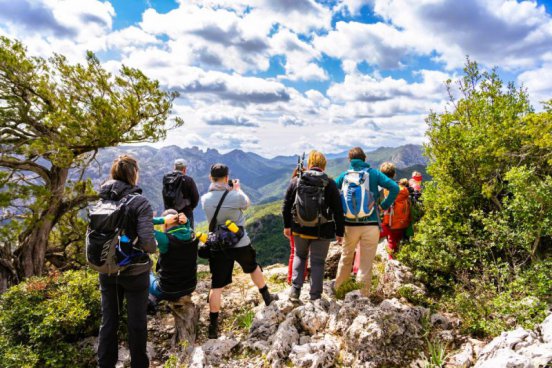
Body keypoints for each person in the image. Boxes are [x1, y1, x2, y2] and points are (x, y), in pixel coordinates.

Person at [201, 163, 277, 339]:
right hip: (240, 242)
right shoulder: (235, 196)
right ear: (227, 177)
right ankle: (266, 296)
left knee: (217, 285)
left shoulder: (205, 199)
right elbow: (247, 203)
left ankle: (213, 326)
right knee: (253, 267)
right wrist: (238, 188)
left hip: (218, 245)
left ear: (210, 178)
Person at [97, 155, 156, 368]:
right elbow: (148, 243)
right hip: (135, 272)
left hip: (107, 269)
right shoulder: (139, 202)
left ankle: (105, 364)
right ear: (134, 174)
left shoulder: (102, 200)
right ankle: (139, 364)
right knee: (137, 323)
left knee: (109, 321)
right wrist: (154, 246)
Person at [334, 149, 399, 297]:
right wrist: (383, 206)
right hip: (371, 225)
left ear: (349, 160)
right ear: (365, 158)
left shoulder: (344, 175)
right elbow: (394, 187)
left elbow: (331, 189)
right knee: (366, 263)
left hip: (349, 225)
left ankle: (339, 291)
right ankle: (362, 296)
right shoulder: (374, 173)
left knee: (346, 258)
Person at [282, 150, 345, 301]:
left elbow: (286, 205)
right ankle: (315, 297)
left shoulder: (297, 180)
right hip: (322, 230)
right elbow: (338, 209)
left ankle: (295, 291)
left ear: (309, 164)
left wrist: (287, 226)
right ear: (324, 165)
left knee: (299, 255)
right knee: (318, 262)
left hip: (299, 227)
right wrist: (340, 232)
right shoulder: (329, 183)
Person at [149, 210, 197, 309]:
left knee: (146, 274)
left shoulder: (165, 239)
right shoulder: (192, 234)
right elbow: (187, 228)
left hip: (167, 290)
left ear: (165, 225)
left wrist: (161, 220)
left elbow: (143, 225)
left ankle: (152, 300)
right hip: (190, 286)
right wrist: (187, 221)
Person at [162, 159, 200, 228]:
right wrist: (190, 208)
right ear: (184, 169)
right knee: (187, 234)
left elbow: (164, 194)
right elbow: (196, 198)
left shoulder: (166, 178)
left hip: (170, 214)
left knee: (170, 234)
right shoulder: (189, 180)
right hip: (185, 213)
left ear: (174, 167)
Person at [381, 177, 412, 259]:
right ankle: (399, 257)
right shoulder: (406, 196)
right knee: (397, 241)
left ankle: (391, 261)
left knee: (391, 242)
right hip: (403, 223)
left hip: (391, 223)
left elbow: (384, 208)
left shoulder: (390, 195)